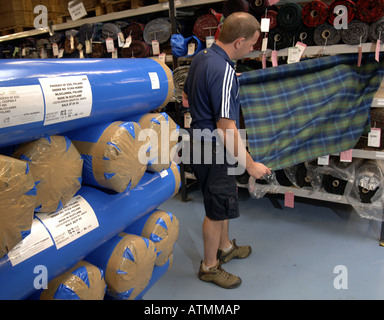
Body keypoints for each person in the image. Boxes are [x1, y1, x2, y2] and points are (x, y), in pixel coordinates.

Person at [182, 12, 271, 289]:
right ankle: (209, 267)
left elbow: (185, 95)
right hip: (213, 146)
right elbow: (226, 127)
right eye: (252, 44)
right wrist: (251, 165)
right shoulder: (225, 71)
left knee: (222, 197)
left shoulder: (201, 57)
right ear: (239, 41)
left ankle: (224, 248)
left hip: (198, 140)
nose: (253, 48)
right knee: (216, 209)